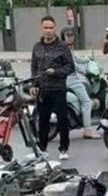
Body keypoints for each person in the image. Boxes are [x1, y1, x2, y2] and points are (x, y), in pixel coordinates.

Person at [32, 16, 75, 160]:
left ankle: (63, 149)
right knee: (43, 120)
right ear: (41, 28)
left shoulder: (62, 47)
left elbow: (70, 67)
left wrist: (56, 72)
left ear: (55, 28)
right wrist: (34, 85)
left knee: (62, 119)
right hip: (43, 89)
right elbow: (34, 68)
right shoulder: (37, 47)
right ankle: (42, 149)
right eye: (46, 28)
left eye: (51, 28)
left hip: (58, 89)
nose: (48, 31)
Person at [62, 27, 100, 139]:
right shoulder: (65, 48)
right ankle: (87, 130)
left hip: (66, 79)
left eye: (72, 35)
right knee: (87, 102)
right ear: (63, 36)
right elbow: (72, 65)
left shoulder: (66, 48)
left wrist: (88, 60)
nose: (71, 37)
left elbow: (75, 59)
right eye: (68, 35)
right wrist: (84, 72)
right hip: (71, 79)